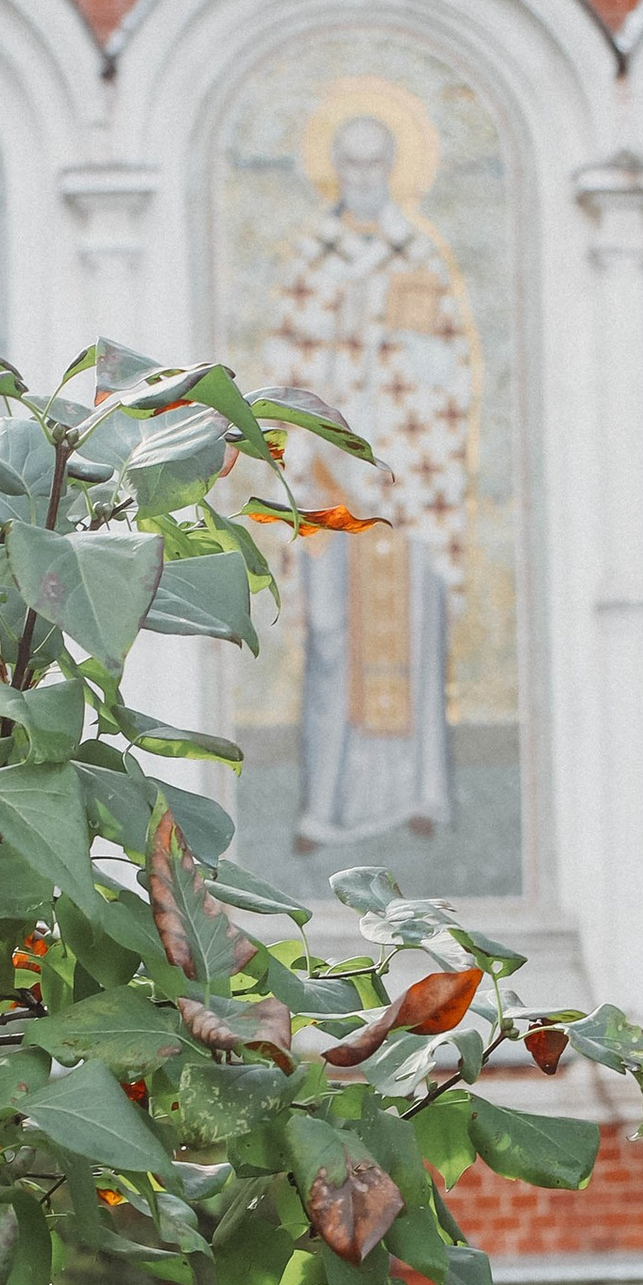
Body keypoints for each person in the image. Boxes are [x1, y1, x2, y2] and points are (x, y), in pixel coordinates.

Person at [260, 106, 472, 849]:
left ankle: (421, 794)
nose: (362, 180)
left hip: (410, 483)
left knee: (415, 634)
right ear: (334, 172)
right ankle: (323, 804)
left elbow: (451, 372)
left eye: (374, 165)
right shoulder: (310, 259)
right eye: (348, 166)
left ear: (391, 168)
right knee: (329, 640)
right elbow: (283, 379)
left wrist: (403, 358)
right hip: (331, 486)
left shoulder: (420, 254)